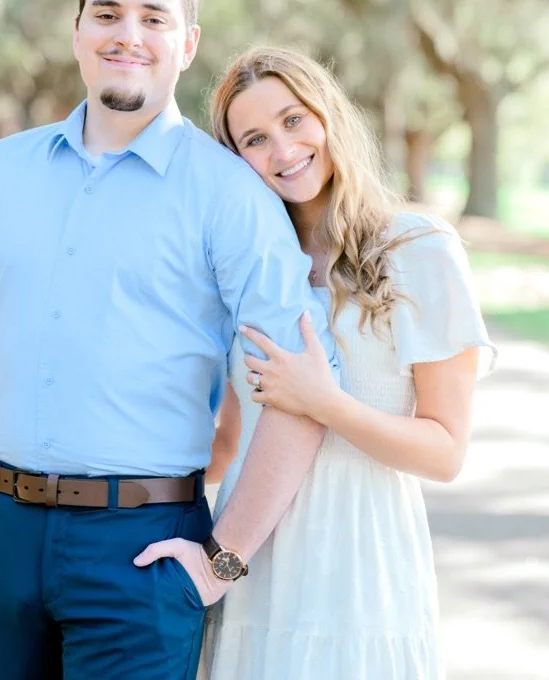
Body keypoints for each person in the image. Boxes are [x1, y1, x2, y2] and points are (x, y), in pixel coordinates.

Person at [0, 0, 341, 680]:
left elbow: (304, 390)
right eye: (107, 13)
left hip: (143, 551)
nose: (128, 36)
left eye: (154, 18)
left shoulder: (231, 196)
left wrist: (221, 563)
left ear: (186, 43)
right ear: (77, 29)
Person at [200, 46, 496, 680]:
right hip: (251, 559)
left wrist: (325, 403)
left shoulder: (419, 249)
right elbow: (228, 438)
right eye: (254, 138)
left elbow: (445, 451)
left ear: (328, 115)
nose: (282, 150)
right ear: (234, 161)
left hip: (359, 566)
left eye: (293, 120)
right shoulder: (243, 270)